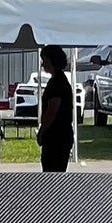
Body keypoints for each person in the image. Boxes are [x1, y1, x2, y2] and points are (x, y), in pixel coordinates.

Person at [36, 45, 74, 173]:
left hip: (56, 137)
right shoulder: (61, 80)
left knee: (51, 171)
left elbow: (51, 111)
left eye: (45, 61)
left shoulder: (56, 83)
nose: (43, 65)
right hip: (62, 135)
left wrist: (42, 131)